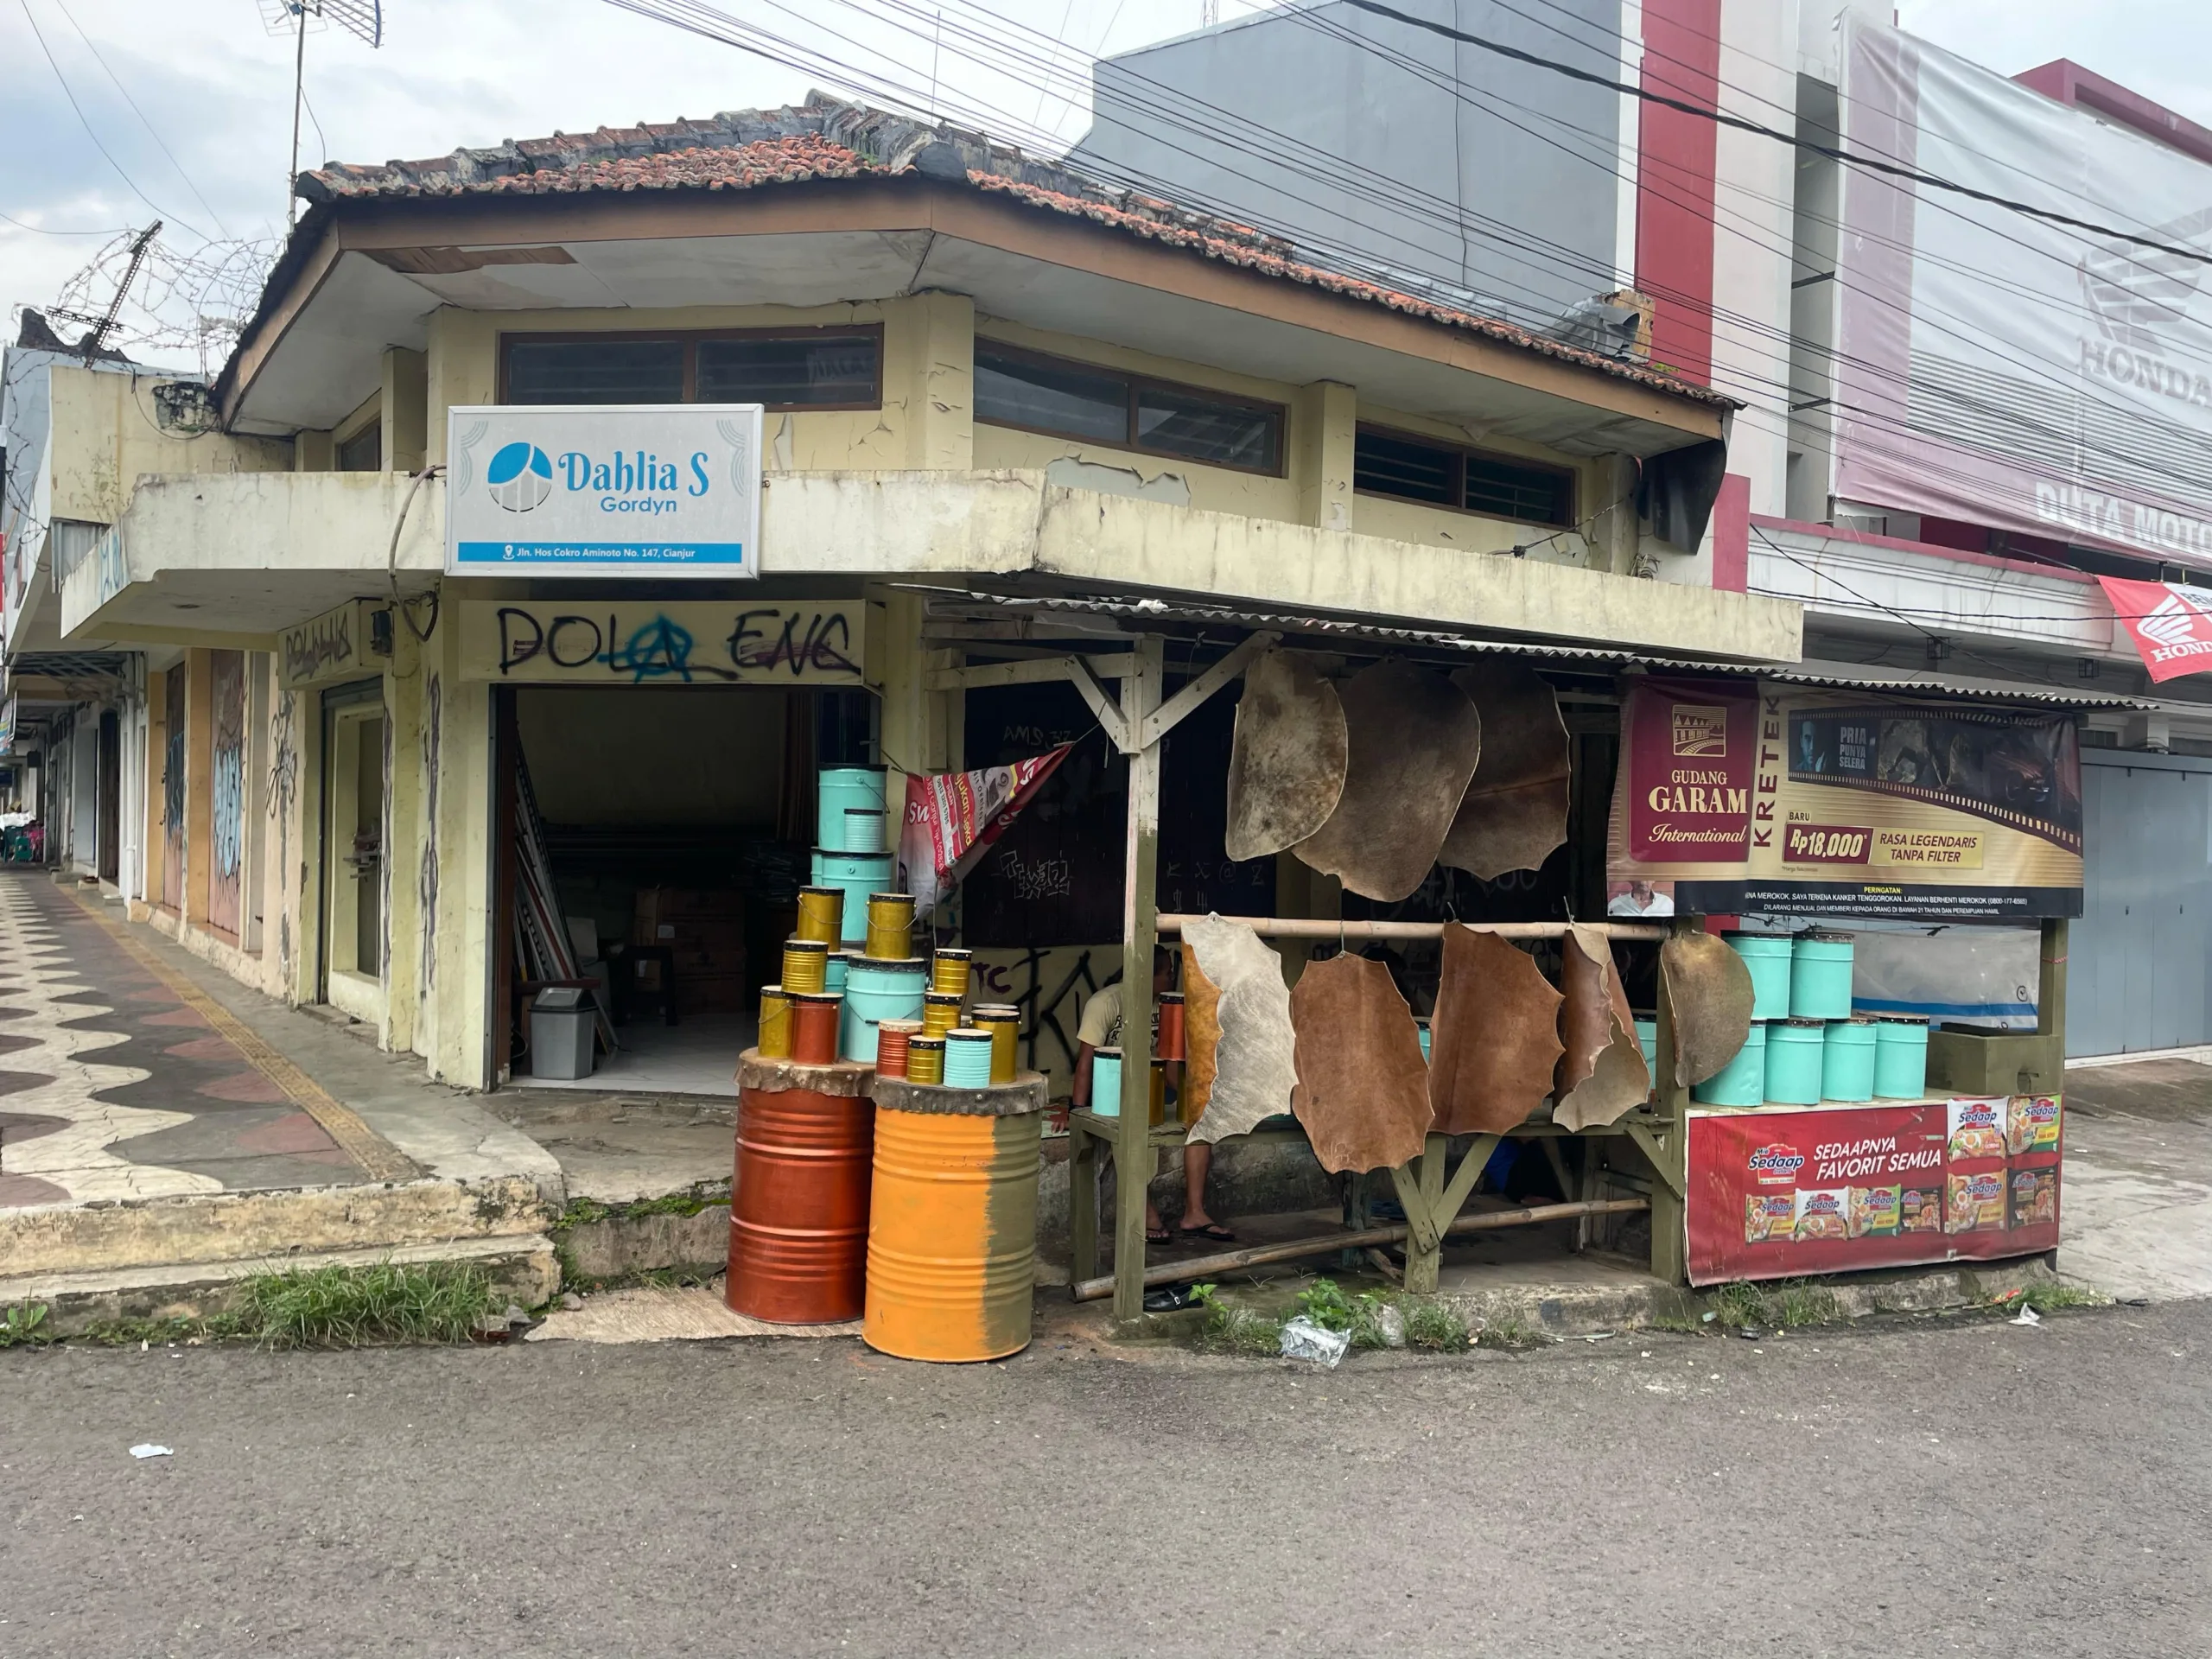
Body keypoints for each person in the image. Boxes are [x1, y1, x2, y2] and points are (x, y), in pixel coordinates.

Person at [1071, 948, 1234, 1245]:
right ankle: (1145, 1214)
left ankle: (1194, 1213)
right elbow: (1085, 1063)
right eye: (1167, 972)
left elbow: (1172, 1066)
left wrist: (1196, 1101)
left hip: (1158, 1090)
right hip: (1114, 1093)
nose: (1172, 976)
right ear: (1148, 975)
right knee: (1130, 1131)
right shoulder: (1106, 1002)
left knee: (1200, 1125)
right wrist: (1076, 1111)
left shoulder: (1169, 1005)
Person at [1607, 879, 1675, 918]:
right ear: (1630, 880)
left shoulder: (1666, 903)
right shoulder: (1615, 904)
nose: (1642, 882)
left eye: (1647, 877)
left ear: (1654, 880)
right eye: (1638, 877)